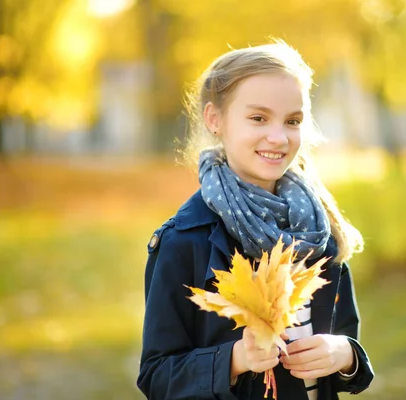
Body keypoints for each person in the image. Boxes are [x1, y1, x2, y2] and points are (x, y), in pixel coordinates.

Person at [137, 40, 374, 400]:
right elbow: (156, 377)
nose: (278, 137)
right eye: (258, 118)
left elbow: (347, 352)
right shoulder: (184, 240)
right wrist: (233, 359)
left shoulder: (317, 230)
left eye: (292, 121)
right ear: (215, 119)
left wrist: (345, 355)